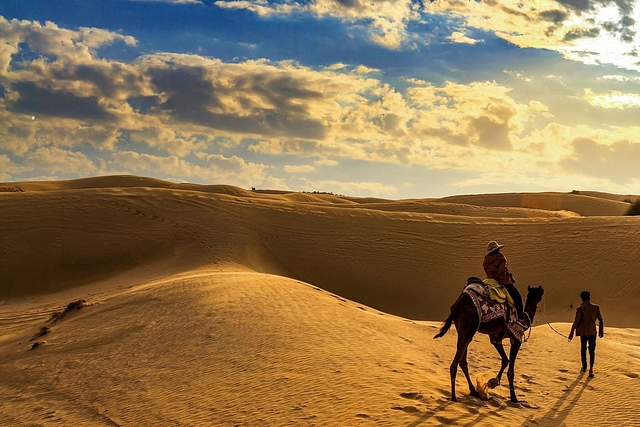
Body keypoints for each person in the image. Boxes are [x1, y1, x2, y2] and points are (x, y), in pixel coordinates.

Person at [483, 241, 524, 321]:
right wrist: (503, 284)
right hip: (501, 281)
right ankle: (520, 319)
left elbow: (485, 269)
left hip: (489, 281)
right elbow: (502, 272)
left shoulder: (486, 259)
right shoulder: (501, 258)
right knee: (518, 298)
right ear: (497, 249)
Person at [568, 290, 604, 378]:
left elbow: (576, 321)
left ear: (582, 298)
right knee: (592, 350)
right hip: (592, 332)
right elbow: (601, 320)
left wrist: (571, 333)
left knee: (583, 349)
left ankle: (584, 367)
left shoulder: (580, 309)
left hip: (583, 333)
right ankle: (591, 369)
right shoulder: (596, 307)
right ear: (589, 297)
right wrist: (601, 331)